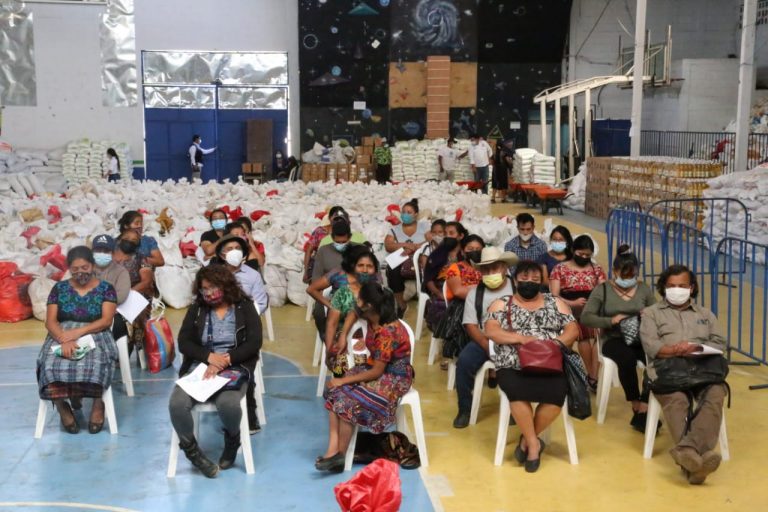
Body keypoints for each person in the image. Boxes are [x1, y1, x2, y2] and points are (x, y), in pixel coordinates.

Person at [484, 261, 579, 472]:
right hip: (513, 362)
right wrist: (521, 339)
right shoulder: (502, 303)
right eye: (524, 279)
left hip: (549, 360)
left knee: (556, 396)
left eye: (535, 279)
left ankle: (526, 439)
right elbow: (491, 331)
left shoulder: (555, 302)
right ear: (515, 281)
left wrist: (554, 344)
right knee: (517, 393)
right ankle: (534, 445)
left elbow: (572, 330)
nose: (530, 283)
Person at [169, 265, 262, 478]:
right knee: (177, 404)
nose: (209, 293)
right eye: (204, 289)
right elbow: (184, 342)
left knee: (228, 404)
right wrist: (209, 357)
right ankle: (193, 453)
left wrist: (225, 360)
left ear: (226, 285)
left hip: (234, 365)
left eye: (213, 287)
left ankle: (232, 440)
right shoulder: (197, 309)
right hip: (201, 367)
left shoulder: (244, 306)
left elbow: (254, 343)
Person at [640, 265, 727, 485]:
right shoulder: (651, 313)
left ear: (692, 287)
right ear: (663, 287)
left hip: (703, 370)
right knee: (677, 400)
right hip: (667, 371)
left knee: (716, 394)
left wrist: (696, 348)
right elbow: (651, 346)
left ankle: (688, 452)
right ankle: (700, 460)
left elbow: (720, 343)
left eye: (682, 285)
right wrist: (676, 350)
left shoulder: (706, 315)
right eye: (671, 286)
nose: (676, 290)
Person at [318, 283, 413, 472]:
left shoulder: (388, 332)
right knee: (334, 390)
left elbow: (377, 372)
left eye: (359, 299)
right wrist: (343, 335)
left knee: (347, 400)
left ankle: (341, 454)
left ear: (368, 305)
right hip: (375, 367)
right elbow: (354, 312)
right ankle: (332, 450)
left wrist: (343, 379)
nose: (356, 301)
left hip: (393, 376)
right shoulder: (372, 315)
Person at [36, 246, 118, 435]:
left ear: (92, 265)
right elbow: (50, 321)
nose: (80, 272)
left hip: (95, 331)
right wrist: (63, 339)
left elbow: (106, 320)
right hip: (61, 333)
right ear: (69, 269)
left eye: (85, 267)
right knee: (49, 364)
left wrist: (78, 332)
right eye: (75, 269)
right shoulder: (59, 288)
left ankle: (98, 403)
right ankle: (61, 405)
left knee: (96, 362)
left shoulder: (106, 289)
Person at [581, 245, 656, 432]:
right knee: (626, 358)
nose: (629, 278)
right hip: (613, 338)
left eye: (633, 275)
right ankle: (636, 403)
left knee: (656, 357)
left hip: (640, 337)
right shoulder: (603, 290)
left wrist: (648, 313)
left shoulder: (643, 289)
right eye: (625, 275)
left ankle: (645, 403)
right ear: (614, 271)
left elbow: (658, 313)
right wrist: (610, 320)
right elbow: (586, 317)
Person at [452, 247, 518, 428]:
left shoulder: (517, 288)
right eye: (486, 270)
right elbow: (470, 325)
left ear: (504, 268)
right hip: (484, 339)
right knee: (464, 363)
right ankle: (464, 409)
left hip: (514, 339)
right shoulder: (475, 293)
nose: (490, 273)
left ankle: (516, 408)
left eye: (494, 268)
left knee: (521, 365)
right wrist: (487, 346)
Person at [549, 234, 606, 391]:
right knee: (583, 334)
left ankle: (592, 376)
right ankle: (592, 377)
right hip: (567, 309)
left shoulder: (597, 269)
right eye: (581, 254)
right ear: (573, 250)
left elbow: (604, 291)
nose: (584, 258)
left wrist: (593, 305)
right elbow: (554, 296)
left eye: (588, 255)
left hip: (592, 309)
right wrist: (573, 303)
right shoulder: (559, 269)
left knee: (598, 335)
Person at [323, 245, 380, 377]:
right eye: (360, 265)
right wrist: (329, 350)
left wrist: (368, 340)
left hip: (374, 339)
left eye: (369, 266)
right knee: (341, 367)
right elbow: (332, 323)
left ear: (375, 270)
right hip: (344, 339)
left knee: (368, 366)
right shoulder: (343, 293)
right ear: (353, 267)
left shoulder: (381, 293)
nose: (365, 270)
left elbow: (387, 323)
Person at [308, 219, 357, 340]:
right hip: (329, 291)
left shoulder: (359, 250)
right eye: (337, 242)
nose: (340, 244)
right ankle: (327, 338)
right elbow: (315, 281)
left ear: (350, 237)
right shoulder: (323, 251)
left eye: (344, 242)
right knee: (318, 312)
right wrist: (329, 304)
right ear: (332, 237)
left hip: (355, 291)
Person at [112, 229, 155, 354]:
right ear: (119, 240)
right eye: (127, 239)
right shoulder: (108, 258)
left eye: (134, 240)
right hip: (110, 297)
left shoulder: (141, 259)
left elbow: (146, 282)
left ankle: (124, 351)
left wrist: (125, 294)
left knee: (122, 322)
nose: (130, 242)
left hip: (133, 297)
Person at [384, 198, 429, 315]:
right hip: (403, 256)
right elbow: (388, 245)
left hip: (420, 256)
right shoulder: (394, 229)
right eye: (403, 212)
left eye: (409, 212)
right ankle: (401, 304)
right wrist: (405, 245)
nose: (405, 215)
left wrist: (416, 247)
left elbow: (431, 240)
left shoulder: (424, 226)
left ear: (416, 214)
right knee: (392, 268)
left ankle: (427, 303)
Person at [91, 234, 131, 341]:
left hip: (111, 312)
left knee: (118, 325)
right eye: (98, 250)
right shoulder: (85, 269)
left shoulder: (121, 272)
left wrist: (95, 301)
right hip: (86, 310)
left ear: (113, 254)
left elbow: (120, 296)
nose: (102, 254)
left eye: (106, 251)